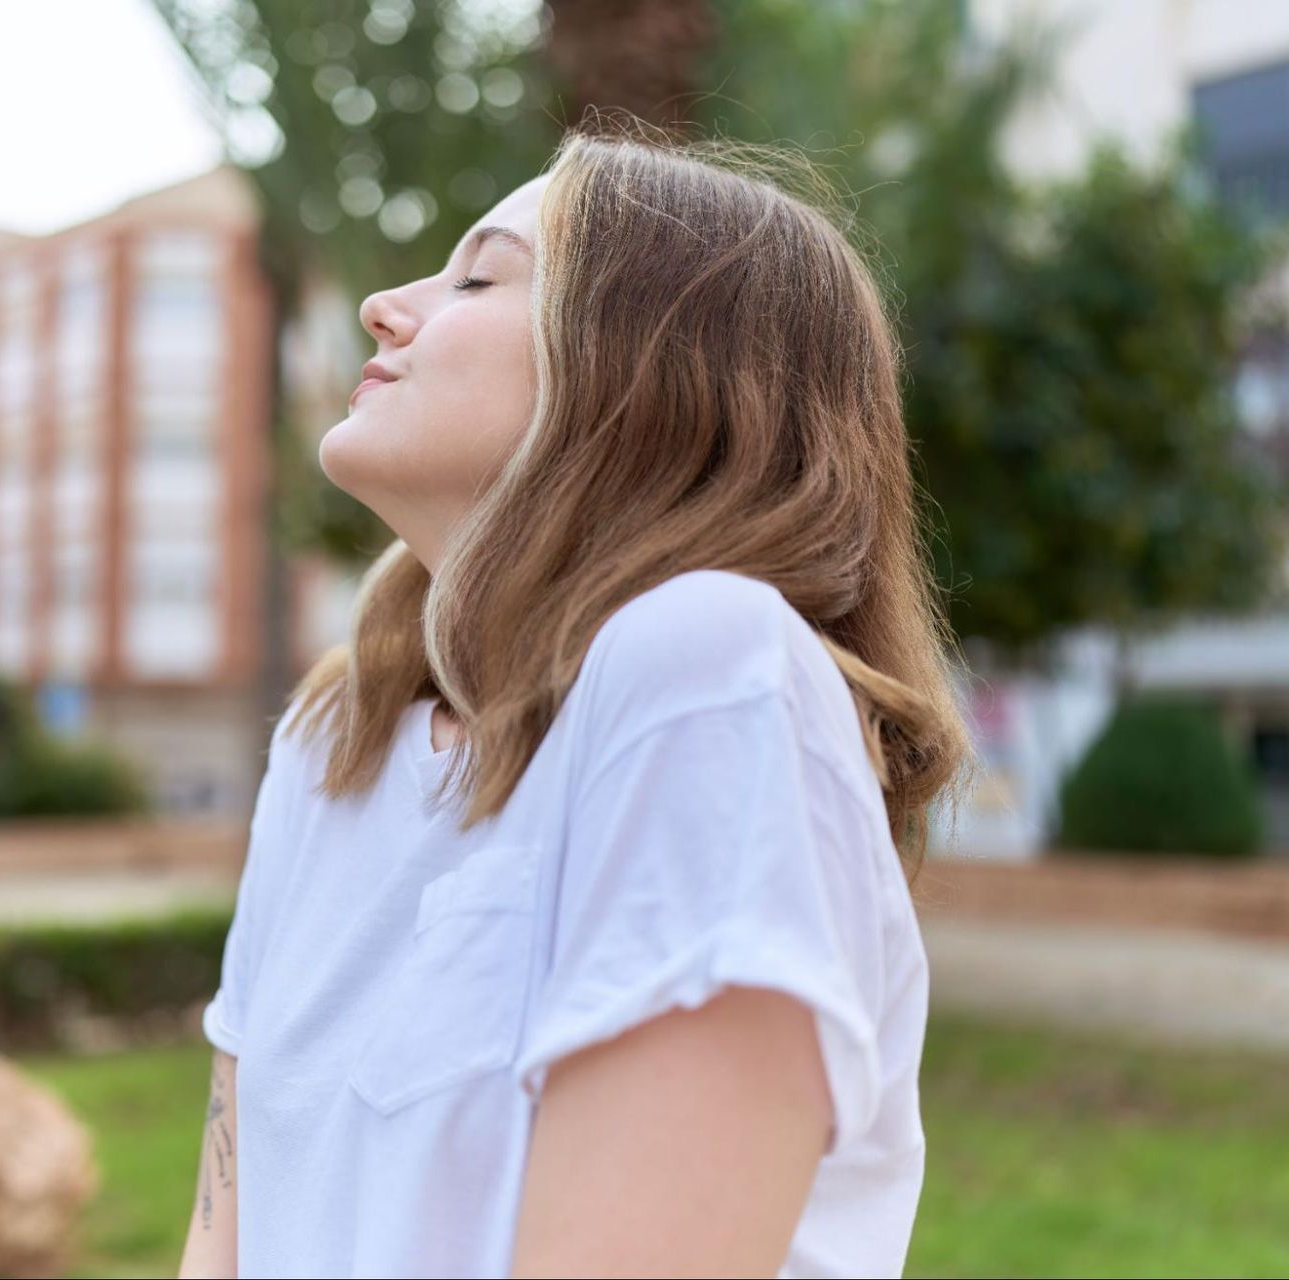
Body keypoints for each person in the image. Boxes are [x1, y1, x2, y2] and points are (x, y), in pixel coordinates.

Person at [176, 114, 975, 1280]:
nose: (385, 304)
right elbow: (227, 1230)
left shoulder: (711, 665)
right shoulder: (331, 741)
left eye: (481, 276)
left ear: (648, 369)